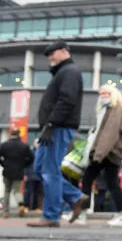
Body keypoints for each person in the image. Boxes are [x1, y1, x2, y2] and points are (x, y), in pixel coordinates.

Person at [27, 40, 88, 227]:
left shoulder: (69, 72)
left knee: (49, 171)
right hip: (53, 128)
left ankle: (51, 216)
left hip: (58, 128)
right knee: (40, 168)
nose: (50, 57)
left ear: (64, 51)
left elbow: (66, 101)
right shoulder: (64, 72)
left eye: (52, 53)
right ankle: (75, 197)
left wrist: (51, 124)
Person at [72, 84, 122, 226]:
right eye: (101, 93)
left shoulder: (115, 110)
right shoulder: (106, 110)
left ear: (113, 94)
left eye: (106, 93)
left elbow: (109, 134)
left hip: (107, 153)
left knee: (90, 180)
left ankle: (84, 213)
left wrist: (97, 155)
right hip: (106, 153)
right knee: (109, 182)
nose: (103, 96)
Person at [0, 129, 35, 218]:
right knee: (17, 191)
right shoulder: (24, 146)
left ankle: (5, 212)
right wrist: (24, 165)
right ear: (19, 134)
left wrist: (4, 164)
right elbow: (31, 158)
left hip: (7, 171)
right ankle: (20, 206)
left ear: (10, 134)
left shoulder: (4, 145)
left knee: (7, 191)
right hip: (19, 171)